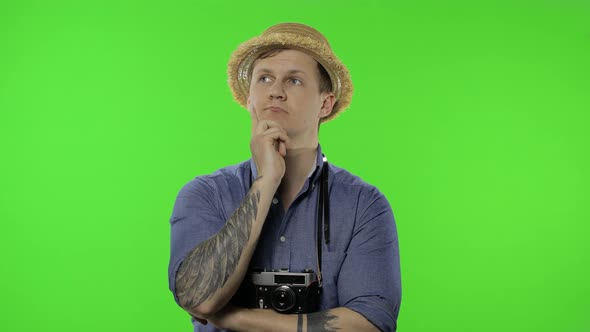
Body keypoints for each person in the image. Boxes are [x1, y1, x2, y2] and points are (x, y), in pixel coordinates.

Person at [168, 23, 401, 332]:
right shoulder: (205, 194)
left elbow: (372, 322)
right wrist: (265, 181)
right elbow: (198, 298)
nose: (276, 91)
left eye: (294, 80)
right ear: (250, 98)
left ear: (325, 103)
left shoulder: (364, 205)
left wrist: (234, 318)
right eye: (264, 78)